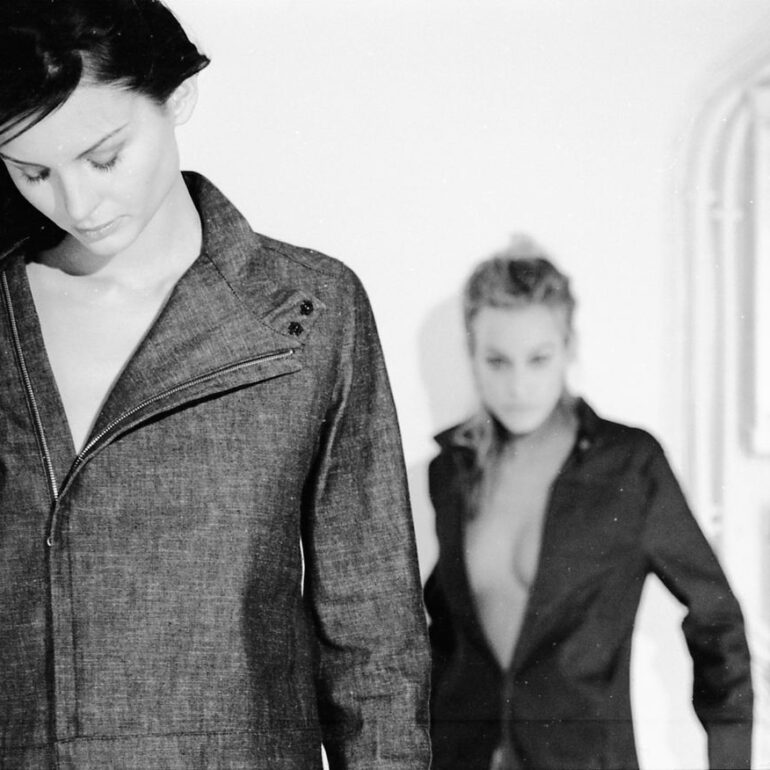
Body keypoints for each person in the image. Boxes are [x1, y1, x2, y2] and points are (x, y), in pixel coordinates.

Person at [0, 1, 430, 767]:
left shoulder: (309, 311)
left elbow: (375, 642)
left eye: (104, 157)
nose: (76, 204)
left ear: (178, 96)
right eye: (33, 171)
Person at [423, 237, 753, 770]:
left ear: (569, 346)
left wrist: (731, 758)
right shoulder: (451, 471)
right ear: (472, 355)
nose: (518, 385)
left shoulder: (629, 465)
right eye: (497, 361)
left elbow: (716, 617)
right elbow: (442, 638)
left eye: (538, 359)